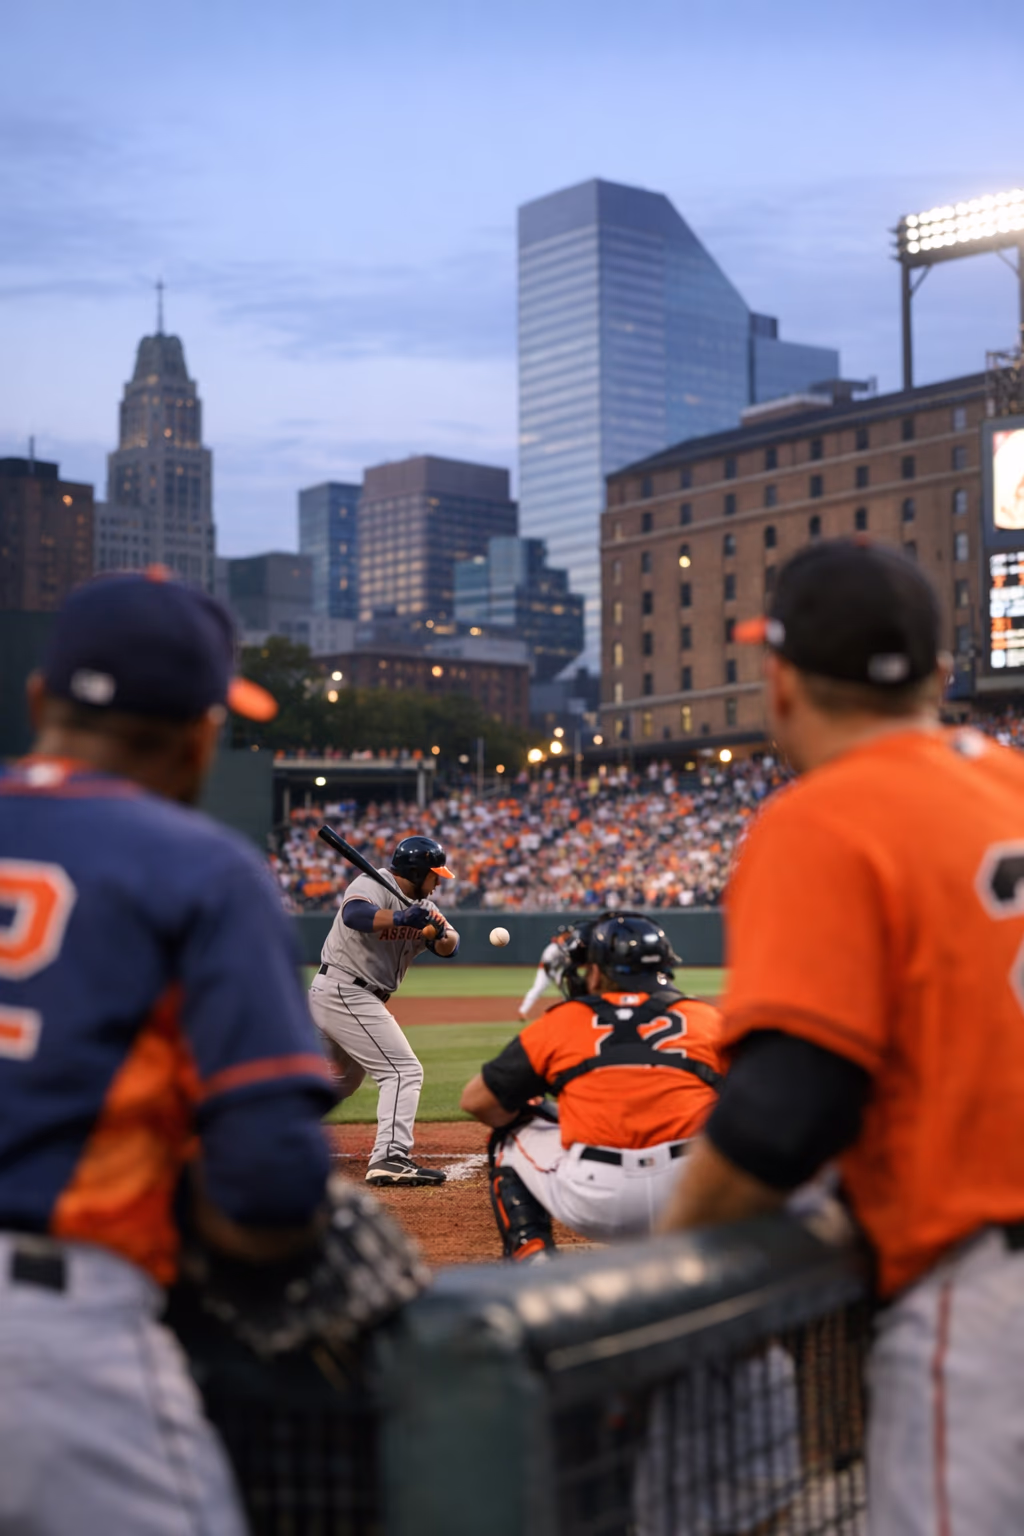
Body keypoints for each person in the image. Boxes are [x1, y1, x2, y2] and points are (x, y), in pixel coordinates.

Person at [660, 538, 1024, 1536]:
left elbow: (786, 1111)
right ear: (940, 679)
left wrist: (664, 1283)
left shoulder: (822, 817)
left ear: (778, 683)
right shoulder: (1013, 784)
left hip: (990, 1300)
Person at [0, 571, 338, 1535]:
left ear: (39, 702)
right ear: (203, 735)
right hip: (49, 1349)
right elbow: (271, 1186)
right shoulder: (201, 866)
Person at [461, 912, 723, 1261]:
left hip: (596, 1200)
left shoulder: (565, 1019)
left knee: (508, 1135)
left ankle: (532, 1258)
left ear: (597, 971)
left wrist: (543, 1110)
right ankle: (744, 1262)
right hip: (689, 1196)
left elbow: (477, 1101)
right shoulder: (704, 1018)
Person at [309, 835, 460, 1186]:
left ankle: (277, 1135)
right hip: (346, 988)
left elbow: (451, 946)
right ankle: (390, 1158)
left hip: (347, 995)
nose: (438, 883)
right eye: (434, 875)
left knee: (341, 1082)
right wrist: (401, 916)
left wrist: (438, 932)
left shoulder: (421, 904)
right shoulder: (373, 883)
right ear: (417, 871)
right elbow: (354, 915)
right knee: (403, 1072)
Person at [517, 926, 575, 1020]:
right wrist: (552, 976)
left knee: (565, 991)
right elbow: (546, 964)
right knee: (538, 989)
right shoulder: (552, 948)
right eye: (568, 933)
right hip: (544, 971)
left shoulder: (565, 945)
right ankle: (522, 1011)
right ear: (564, 934)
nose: (569, 935)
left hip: (556, 971)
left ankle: (570, 1011)